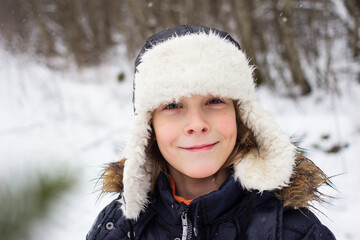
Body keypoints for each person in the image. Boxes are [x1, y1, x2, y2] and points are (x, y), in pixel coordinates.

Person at [87, 25, 335, 240]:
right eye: (173, 105)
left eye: (214, 101)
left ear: (242, 116)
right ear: (148, 128)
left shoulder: (294, 230)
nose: (196, 123)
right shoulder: (118, 228)